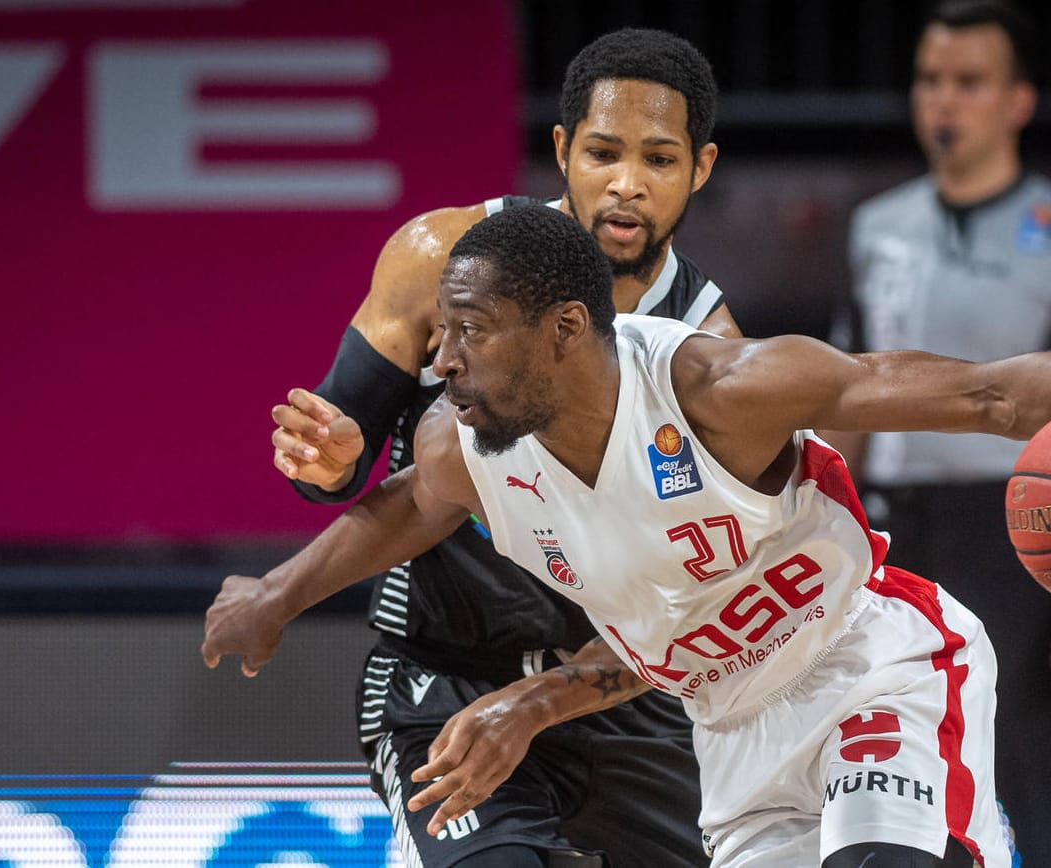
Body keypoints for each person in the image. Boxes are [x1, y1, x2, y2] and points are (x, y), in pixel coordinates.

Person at [216, 204, 1051, 867]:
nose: (442, 358)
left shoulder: (713, 390)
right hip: (732, 741)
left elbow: (983, 392)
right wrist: (277, 594)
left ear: (564, 329)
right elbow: (403, 512)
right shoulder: (460, 451)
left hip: (869, 664)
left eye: (469, 330)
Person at [203, 28, 736, 868]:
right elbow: (373, 474)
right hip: (442, 677)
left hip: (616, 688)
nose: (626, 185)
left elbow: (695, 609)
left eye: (659, 161)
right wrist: (327, 467)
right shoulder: (438, 258)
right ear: (563, 150)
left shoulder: (706, 351)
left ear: (699, 169)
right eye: (602, 152)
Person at [832, 2, 1051, 863]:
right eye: (931, 80)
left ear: (1018, 101)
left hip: (1034, 532)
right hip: (898, 531)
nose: (944, 101)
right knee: (901, 780)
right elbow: (846, 396)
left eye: (969, 83)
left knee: (1047, 779)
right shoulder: (876, 228)